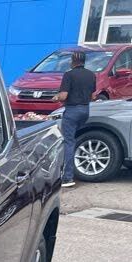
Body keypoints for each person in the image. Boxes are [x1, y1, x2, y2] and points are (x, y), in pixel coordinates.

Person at [54, 49, 97, 188]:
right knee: (73, 140)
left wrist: (56, 97)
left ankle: (67, 178)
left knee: (68, 143)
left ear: (73, 61)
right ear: (84, 61)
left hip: (72, 111)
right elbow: (93, 96)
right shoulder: (91, 75)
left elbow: (64, 96)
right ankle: (73, 168)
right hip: (85, 110)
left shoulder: (69, 75)